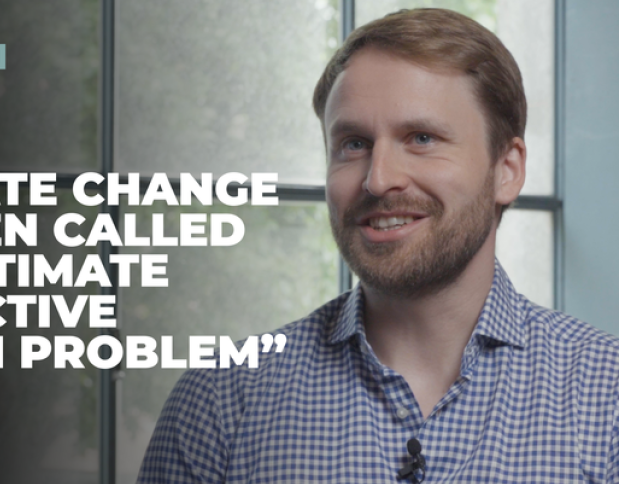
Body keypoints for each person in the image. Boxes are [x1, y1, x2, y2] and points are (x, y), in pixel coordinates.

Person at [137, 8, 619, 483]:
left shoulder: (607, 398)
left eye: (422, 138)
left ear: (506, 170)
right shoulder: (220, 403)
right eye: (353, 144)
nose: (378, 178)